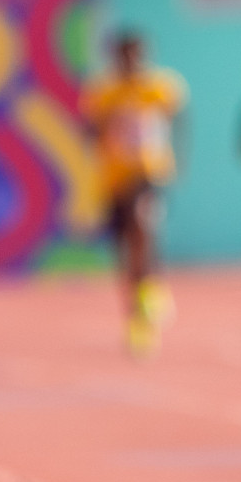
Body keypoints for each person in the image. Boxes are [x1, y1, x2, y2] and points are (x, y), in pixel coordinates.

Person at [80, 31, 186, 358]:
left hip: (150, 173)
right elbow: (91, 132)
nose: (132, 61)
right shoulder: (103, 92)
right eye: (125, 55)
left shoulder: (161, 88)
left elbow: (178, 123)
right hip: (115, 181)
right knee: (126, 251)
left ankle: (153, 290)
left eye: (138, 54)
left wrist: (178, 159)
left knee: (144, 225)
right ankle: (136, 317)